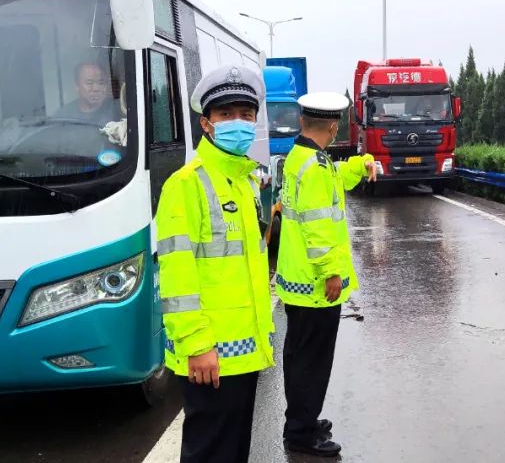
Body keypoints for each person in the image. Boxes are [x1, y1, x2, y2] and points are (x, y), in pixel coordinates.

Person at [155, 64, 274, 463]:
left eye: (246, 114)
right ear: (207, 124)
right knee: (209, 452)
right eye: (227, 115)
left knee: (233, 448)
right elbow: (176, 272)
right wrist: (196, 343)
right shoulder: (186, 184)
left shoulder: (243, 182)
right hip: (211, 354)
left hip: (243, 347)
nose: (238, 123)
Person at [275, 91, 378, 457]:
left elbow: (337, 176)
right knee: (311, 362)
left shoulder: (301, 159)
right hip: (316, 284)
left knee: (301, 356)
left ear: (303, 122)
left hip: (299, 280)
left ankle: (303, 419)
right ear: (334, 126)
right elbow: (319, 228)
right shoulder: (313, 168)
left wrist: (360, 164)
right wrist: (332, 272)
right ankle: (301, 433)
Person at [54, 62, 120, 126]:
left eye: (101, 83)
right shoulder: (64, 116)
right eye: (89, 83)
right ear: (77, 86)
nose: (95, 89)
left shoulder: (118, 110)